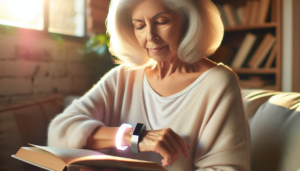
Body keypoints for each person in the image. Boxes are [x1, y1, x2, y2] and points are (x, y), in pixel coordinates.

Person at [47, 0, 251, 170]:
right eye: (139, 26)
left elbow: (226, 167)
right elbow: (59, 132)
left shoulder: (218, 82)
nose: (150, 36)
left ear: (188, 22)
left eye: (162, 21)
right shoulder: (123, 77)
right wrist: (132, 136)